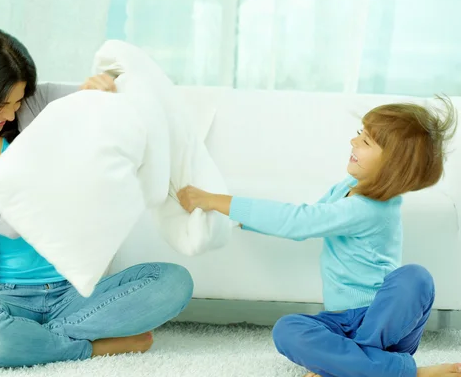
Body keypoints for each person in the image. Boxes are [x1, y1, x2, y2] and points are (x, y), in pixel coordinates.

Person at [0, 28, 193, 368]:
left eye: (17, 101)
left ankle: (35, 339)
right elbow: (11, 219)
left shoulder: (36, 104)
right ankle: (92, 346)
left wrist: (100, 89)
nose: (10, 114)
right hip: (2, 298)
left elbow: (103, 102)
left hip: (72, 291)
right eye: (0, 105)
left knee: (174, 283)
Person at [176, 99, 461, 377]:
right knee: (287, 330)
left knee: (415, 277)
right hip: (340, 321)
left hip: (385, 322)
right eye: (360, 133)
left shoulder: (369, 209)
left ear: (392, 166)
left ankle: (360, 363)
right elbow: (307, 219)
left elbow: (298, 222)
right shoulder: (350, 187)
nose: (353, 141)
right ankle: (361, 365)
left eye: (366, 142)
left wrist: (214, 200)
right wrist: (239, 220)